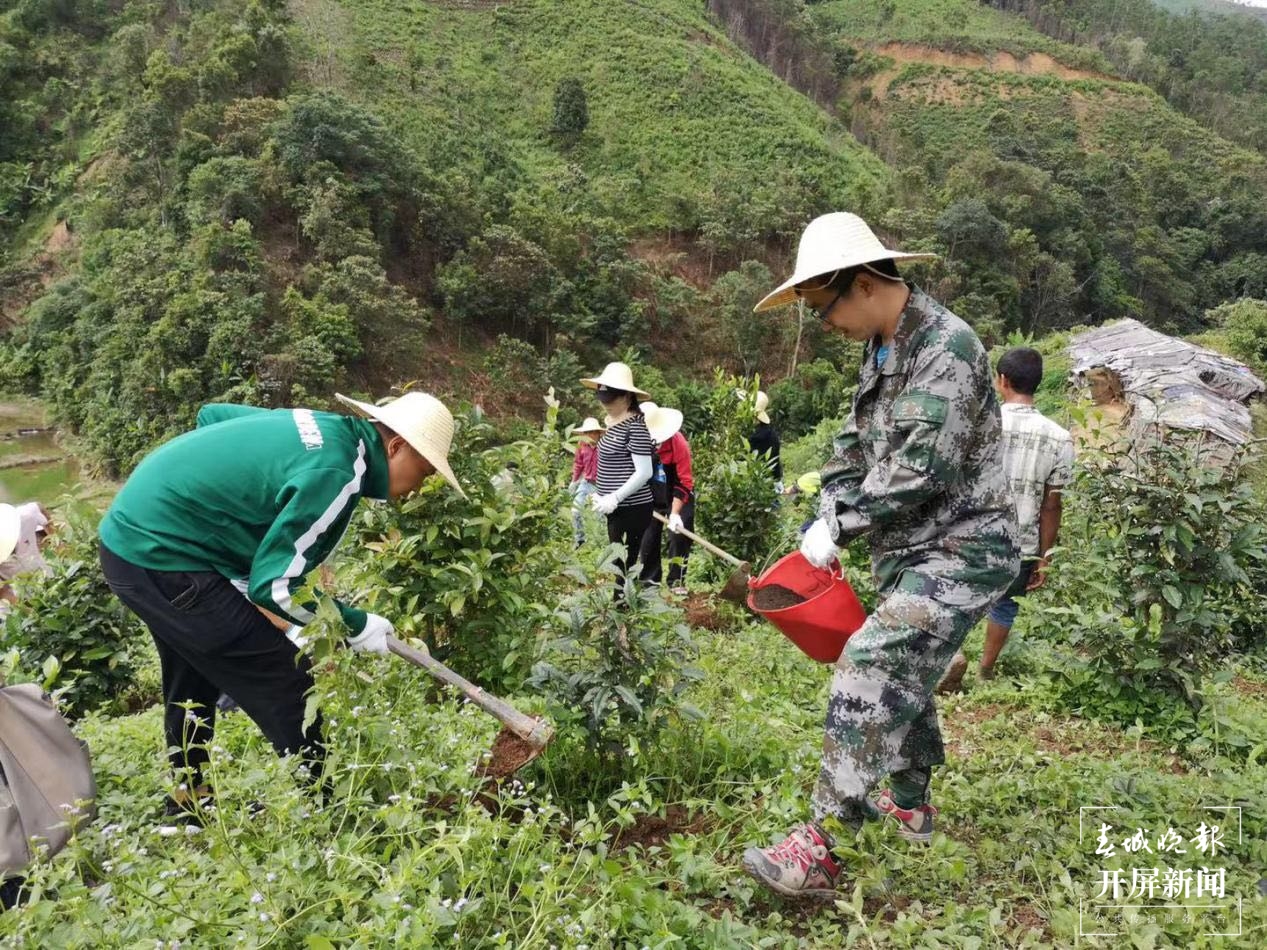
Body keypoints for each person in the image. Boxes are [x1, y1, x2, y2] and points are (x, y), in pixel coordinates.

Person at [740, 212, 1019, 899]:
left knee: (871, 659)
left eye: (823, 306)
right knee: (906, 673)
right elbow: (849, 447)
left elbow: (922, 468)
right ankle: (910, 802)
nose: (823, 322)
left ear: (863, 284)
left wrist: (846, 521)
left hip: (963, 548)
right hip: (908, 552)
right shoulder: (882, 351)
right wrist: (828, 507)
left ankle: (824, 845)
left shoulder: (946, 348)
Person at [97, 392, 464, 821]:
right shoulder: (339, 471)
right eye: (422, 471)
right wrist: (354, 624)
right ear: (396, 446)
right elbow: (273, 586)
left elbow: (212, 414)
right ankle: (334, 812)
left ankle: (188, 805)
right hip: (164, 557)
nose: (418, 487)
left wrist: (216, 506)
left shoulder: (321, 426)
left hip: (132, 541)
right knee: (288, 680)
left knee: (192, 681)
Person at [977, 347, 1073, 679]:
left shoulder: (983, 425)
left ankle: (948, 662)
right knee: (1005, 605)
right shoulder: (1060, 438)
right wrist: (1045, 556)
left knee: (956, 600)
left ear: (1002, 380)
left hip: (972, 534)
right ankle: (986, 670)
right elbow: (1051, 505)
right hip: (1022, 543)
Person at [580, 363, 654, 590]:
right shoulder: (612, 425)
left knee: (624, 563)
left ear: (627, 397)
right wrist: (601, 494)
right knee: (617, 559)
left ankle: (622, 609)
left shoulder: (636, 427)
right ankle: (622, 607)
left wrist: (615, 497)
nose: (606, 405)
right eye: (602, 399)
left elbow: (644, 472)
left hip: (632, 507)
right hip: (615, 508)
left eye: (610, 400)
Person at [636, 402, 695, 594]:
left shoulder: (679, 444)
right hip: (651, 493)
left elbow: (684, 481)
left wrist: (675, 513)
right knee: (648, 536)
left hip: (677, 492)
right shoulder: (636, 442)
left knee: (680, 534)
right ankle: (649, 582)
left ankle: (676, 581)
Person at [0, 502, 52, 619]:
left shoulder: (25, 517)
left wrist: (56, 540)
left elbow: (38, 507)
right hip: (20, 592)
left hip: (45, 573)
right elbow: (3, 592)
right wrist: (33, 615)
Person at [567, 418, 605, 547]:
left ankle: (601, 543)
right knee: (575, 511)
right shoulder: (582, 446)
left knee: (601, 515)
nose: (590, 435)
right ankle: (579, 540)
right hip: (587, 482)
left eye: (593, 432)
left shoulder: (605, 446)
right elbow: (578, 464)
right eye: (587, 432)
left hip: (602, 485)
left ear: (598, 433)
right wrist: (574, 481)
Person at [747, 391, 783, 493]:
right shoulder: (772, 435)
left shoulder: (748, 435)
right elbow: (775, 462)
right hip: (767, 484)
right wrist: (777, 480)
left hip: (751, 485)